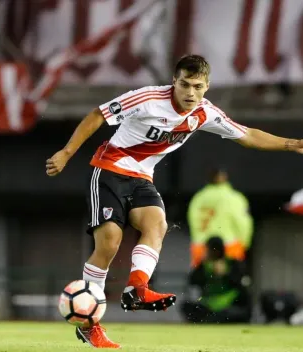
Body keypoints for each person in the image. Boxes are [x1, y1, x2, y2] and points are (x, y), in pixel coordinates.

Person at [46, 54, 303, 349]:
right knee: (110, 244)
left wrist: (292, 144)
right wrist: (66, 153)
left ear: (206, 87)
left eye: (197, 86)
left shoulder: (205, 113)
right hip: (110, 170)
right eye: (184, 84)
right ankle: (90, 325)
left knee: (157, 224)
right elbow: (97, 115)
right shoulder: (147, 98)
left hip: (143, 178)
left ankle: (138, 287)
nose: (190, 93)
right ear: (174, 82)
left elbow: (247, 136)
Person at [187, 168, 253, 268]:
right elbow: (243, 223)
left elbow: (193, 221)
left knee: (203, 280)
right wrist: (244, 243)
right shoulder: (234, 197)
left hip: (202, 248)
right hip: (230, 247)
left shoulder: (198, 198)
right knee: (230, 281)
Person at [180, 236, 252, 324]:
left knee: (239, 310)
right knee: (186, 306)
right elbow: (192, 281)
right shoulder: (204, 265)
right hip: (209, 304)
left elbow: (240, 284)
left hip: (229, 304)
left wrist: (226, 273)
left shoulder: (232, 263)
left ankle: (213, 319)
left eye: (208, 249)